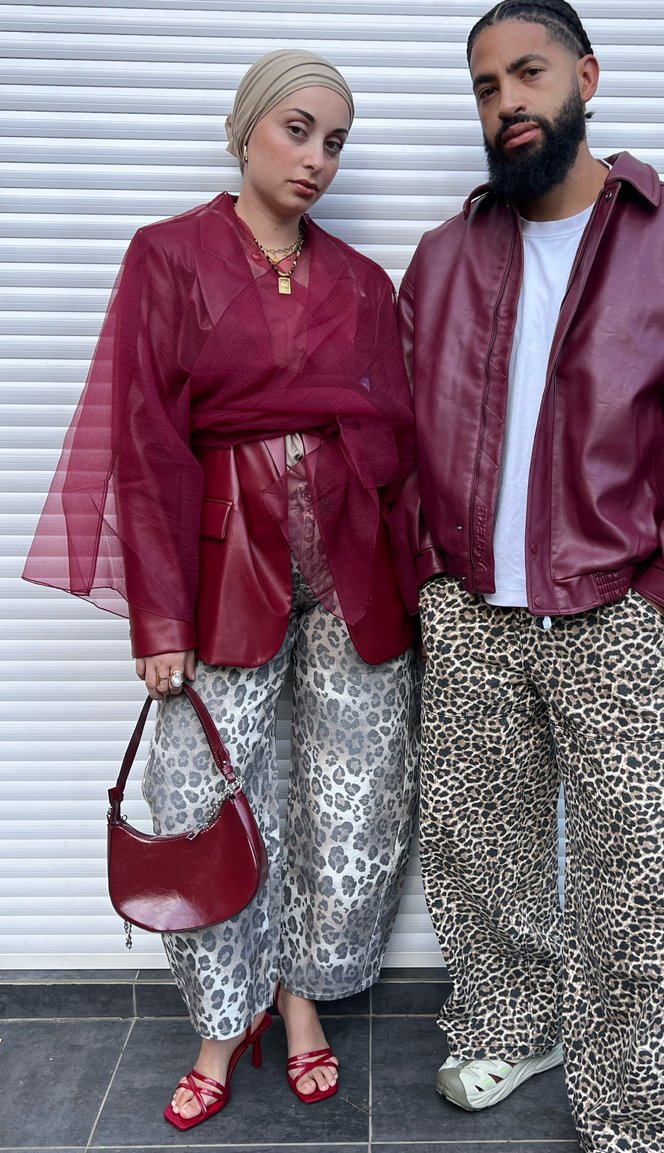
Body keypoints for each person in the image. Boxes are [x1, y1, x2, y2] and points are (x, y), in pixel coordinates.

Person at [397, 2, 664, 1150]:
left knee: (634, 875)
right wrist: (427, 569)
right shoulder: (445, 255)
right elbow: (401, 426)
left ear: (586, 77)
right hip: (469, 604)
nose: (506, 102)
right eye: (483, 86)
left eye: (527, 73)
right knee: (481, 852)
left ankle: (625, 1105)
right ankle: (515, 1024)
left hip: (614, 608)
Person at [24, 50, 420, 1131]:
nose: (316, 159)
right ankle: (220, 1018)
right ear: (245, 129)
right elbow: (146, 445)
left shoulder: (359, 283)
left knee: (354, 796)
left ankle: (298, 1002)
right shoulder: (167, 258)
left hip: (352, 569)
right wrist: (158, 614)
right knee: (196, 796)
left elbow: (402, 440)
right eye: (297, 130)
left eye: (334, 142)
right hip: (221, 564)